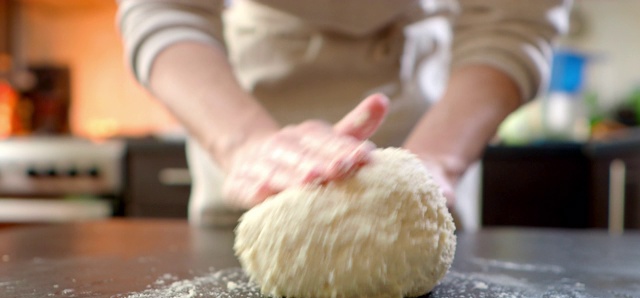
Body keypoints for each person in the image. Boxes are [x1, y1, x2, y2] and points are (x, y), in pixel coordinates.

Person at [117, 0, 572, 227]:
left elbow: (514, 17)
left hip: (432, 120)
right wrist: (242, 142)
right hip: (246, 126)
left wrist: (438, 159)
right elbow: (166, 8)